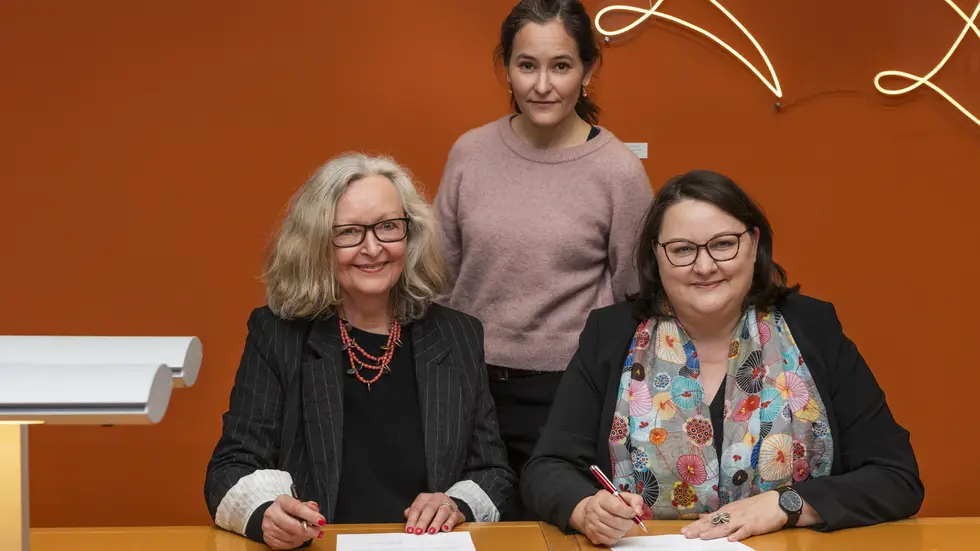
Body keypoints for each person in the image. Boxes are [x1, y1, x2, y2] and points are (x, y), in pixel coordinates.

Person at [521, 169, 923, 545]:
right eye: (682, 249)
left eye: (723, 245)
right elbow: (545, 469)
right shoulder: (610, 335)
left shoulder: (812, 327)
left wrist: (788, 504)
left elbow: (896, 477)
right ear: (655, 257)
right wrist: (585, 509)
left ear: (755, 244)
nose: (705, 266)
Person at [204, 153, 515, 550]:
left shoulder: (457, 335)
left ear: (410, 234)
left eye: (388, 227)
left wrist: (456, 504)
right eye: (350, 232)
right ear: (319, 243)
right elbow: (230, 468)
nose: (373, 248)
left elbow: (494, 472)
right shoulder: (278, 334)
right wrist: (266, 514)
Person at [433, 0, 652, 518]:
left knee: (556, 527)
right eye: (526, 65)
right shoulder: (470, 152)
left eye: (561, 66)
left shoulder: (617, 171)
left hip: (568, 393)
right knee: (456, 527)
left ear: (588, 70)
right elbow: (436, 277)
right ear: (506, 67)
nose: (542, 85)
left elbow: (636, 297)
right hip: (465, 386)